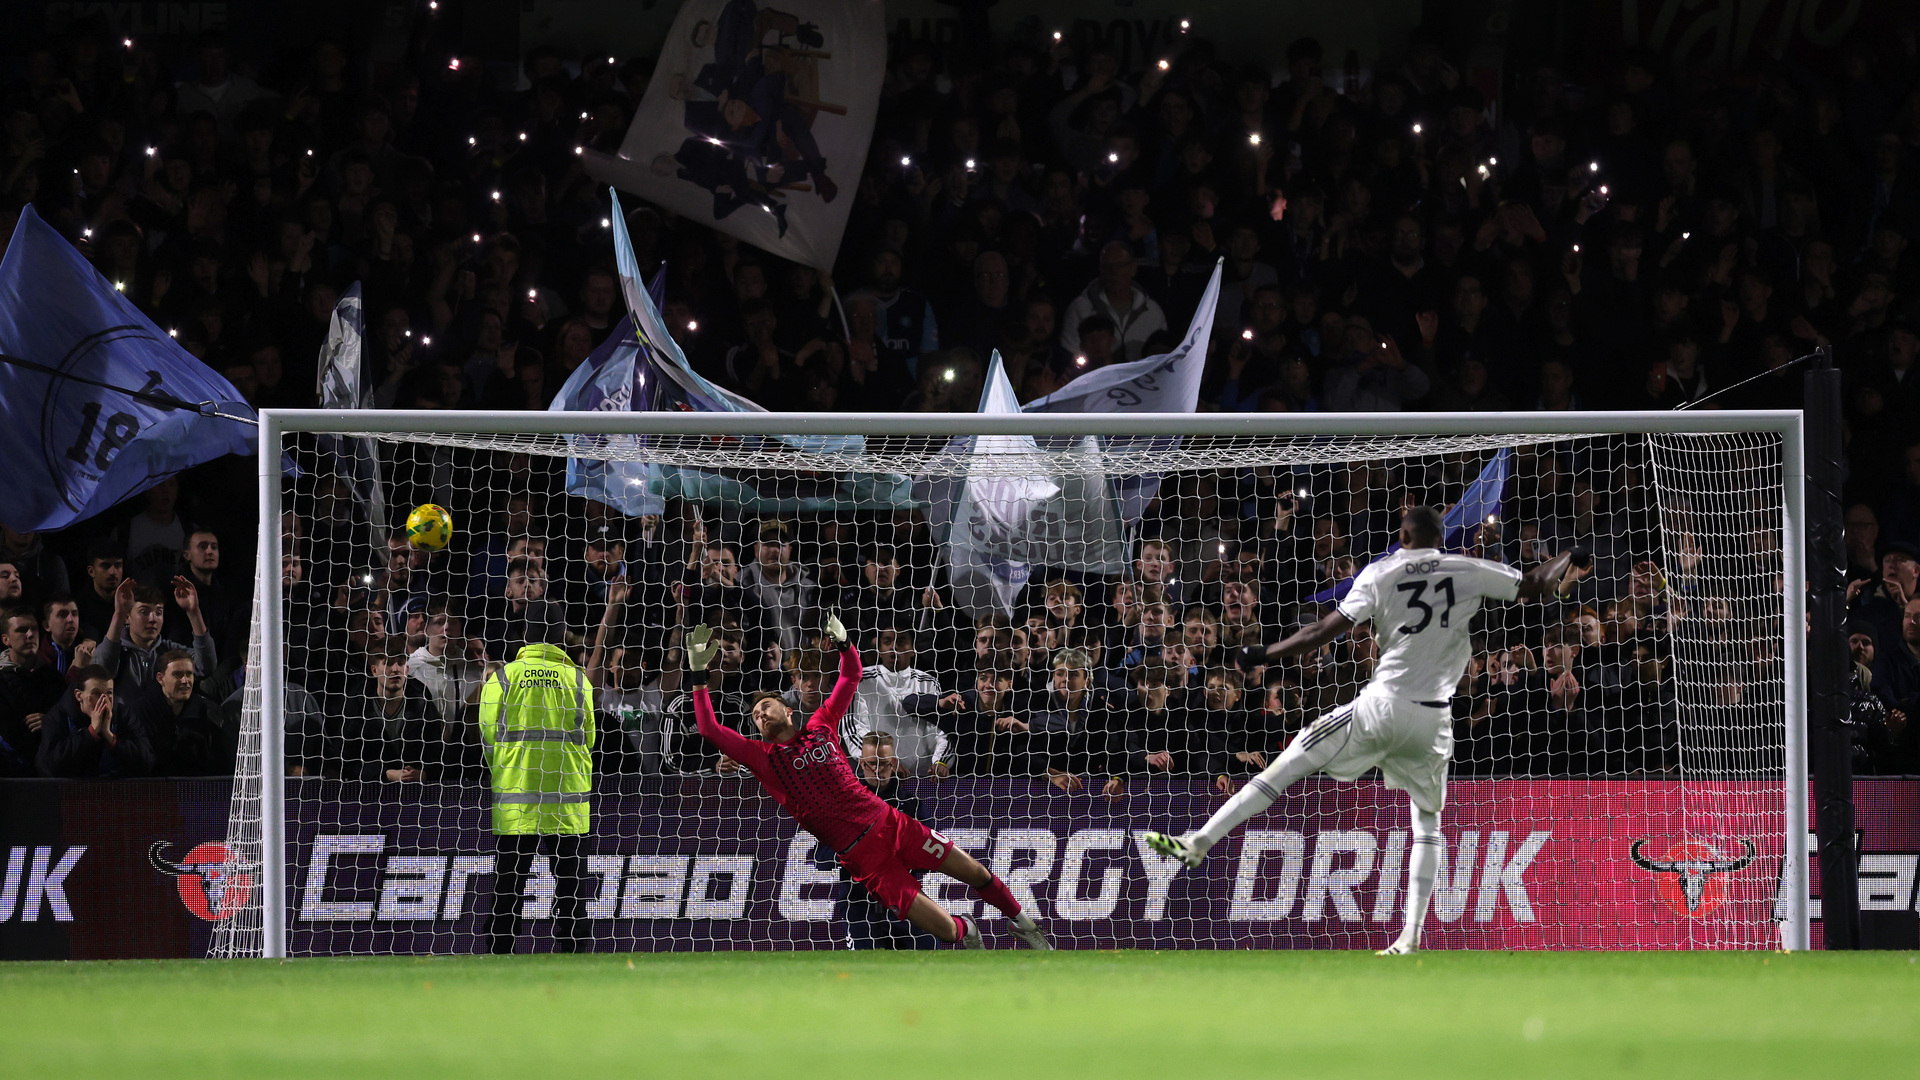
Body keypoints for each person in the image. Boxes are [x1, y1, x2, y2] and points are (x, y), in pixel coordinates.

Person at [1145, 506, 1589, 955]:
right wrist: (1569, 554)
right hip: (1434, 718)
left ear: (1402, 535)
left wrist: (1262, 652)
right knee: (1427, 827)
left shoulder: (1382, 571)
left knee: (1287, 764)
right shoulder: (1467, 568)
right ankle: (1410, 937)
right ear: (1442, 537)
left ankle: (1198, 841)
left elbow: (1319, 631)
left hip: (1382, 706)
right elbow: (1536, 584)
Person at [686, 613, 1052, 949]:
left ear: (789, 709)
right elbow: (708, 728)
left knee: (973, 871)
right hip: (864, 859)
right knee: (947, 931)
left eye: (767, 705)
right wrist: (699, 677)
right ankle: (968, 930)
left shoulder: (821, 724)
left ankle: (1024, 923)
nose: (761, 713)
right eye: (755, 713)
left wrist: (846, 645)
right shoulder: (764, 760)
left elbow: (850, 676)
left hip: (892, 823)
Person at [478, 634, 595, 955]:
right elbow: (589, 738)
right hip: (566, 797)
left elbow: (487, 736)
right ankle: (574, 950)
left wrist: (506, 770)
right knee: (571, 885)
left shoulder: (502, 677)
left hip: (516, 795)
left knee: (508, 883)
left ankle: (500, 951)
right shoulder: (577, 679)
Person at [127, 650, 236, 776]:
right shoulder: (139, 712)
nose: (185, 680)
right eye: (177, 675)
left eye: (189, 674)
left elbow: (221, 762)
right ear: (160, 678)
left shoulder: (206, 711)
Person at [36, 666, 154, 778]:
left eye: (109, 693)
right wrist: (91, 733)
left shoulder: (124, 714)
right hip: (73, 792)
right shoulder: (57, 717)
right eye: (96, 693)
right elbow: (49, 766)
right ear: (79, 695)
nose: (104, 700)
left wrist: (111, 737)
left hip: (116, 791)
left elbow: (146, 761)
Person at [0, 607, 66, 775]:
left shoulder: (55, 679)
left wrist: (50, 722)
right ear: (5, 639)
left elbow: (69, 722)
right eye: (21, 630)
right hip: (9, 775)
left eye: (34, 629)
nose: (30, 634)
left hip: (51, 772)